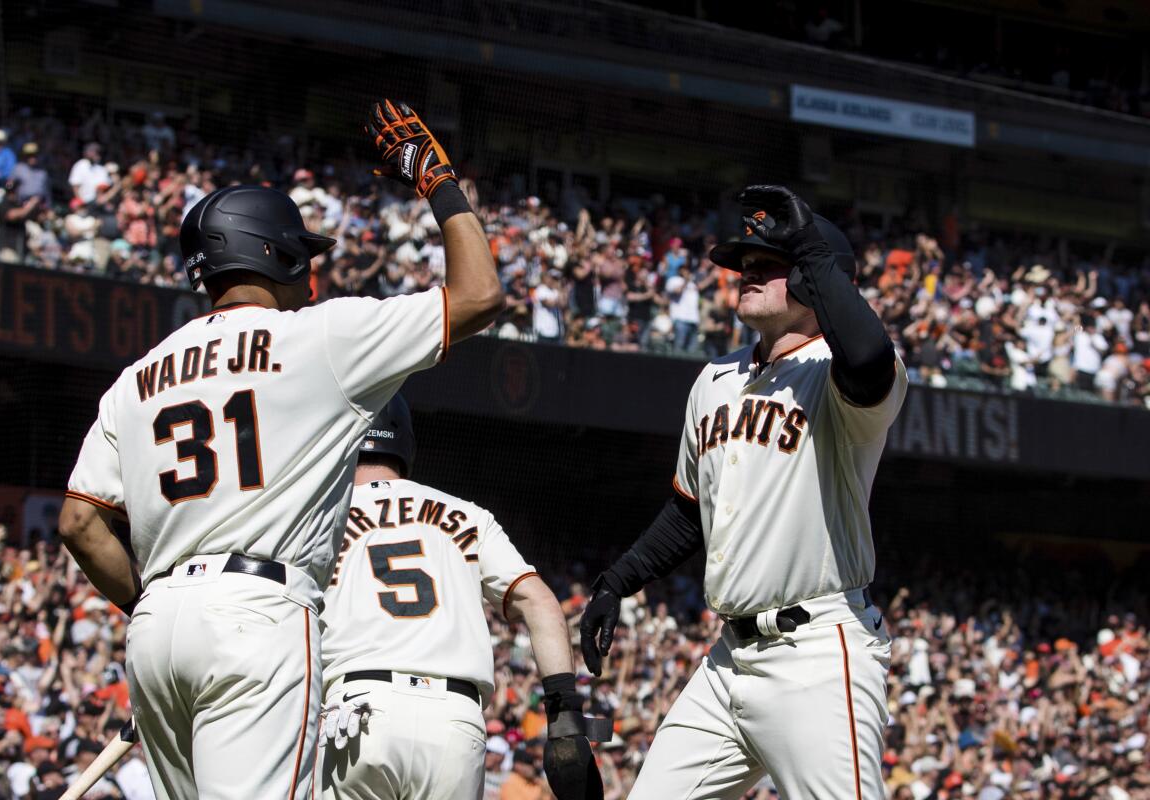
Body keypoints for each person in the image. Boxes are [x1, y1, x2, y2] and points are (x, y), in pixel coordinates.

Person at [57, 99, 503, 800]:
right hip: (257, 613)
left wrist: (162, 604)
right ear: (279, 254)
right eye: (304, 257)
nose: (312, 274)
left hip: (156, 625)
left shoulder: (136, 377)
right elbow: (479, 295)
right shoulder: (319, 339)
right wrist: (436, 180)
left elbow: (80, 524)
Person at [579, 185, 907, 799]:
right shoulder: (715, 378)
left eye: (767, 264)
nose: (745, 273)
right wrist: (618, 580)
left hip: (816, 649)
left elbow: (868, 359)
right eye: (743, 264)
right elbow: (689, 510)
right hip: (728, 661)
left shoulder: (836, 374)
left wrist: (813, 253)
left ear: (814, 281)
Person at [318, 396, 606, 800]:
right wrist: (564, 716)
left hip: (360, 709)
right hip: (454, 721)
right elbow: (539, 602)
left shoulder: (318, 518)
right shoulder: (468, 515)